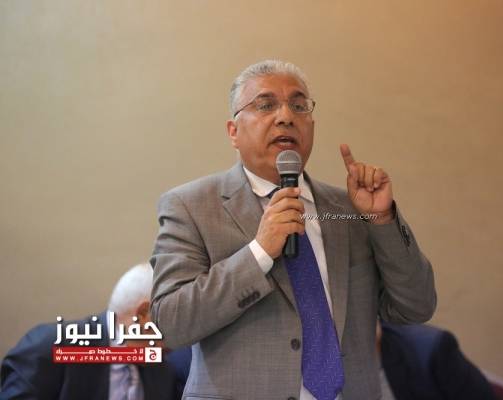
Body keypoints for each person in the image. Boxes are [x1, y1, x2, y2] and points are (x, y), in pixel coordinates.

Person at [150, 59, 436, 400]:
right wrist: (258, 252)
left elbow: (416, 307)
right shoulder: (191, 206)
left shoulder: (349, 210)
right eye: (265, 105)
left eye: (299, 106)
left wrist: (382, 220)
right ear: (233, 131)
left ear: (311, 125)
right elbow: (170, 324)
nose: (286, 116)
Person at [0, 263, 185, 400]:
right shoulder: (50, 349)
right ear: (143, 314)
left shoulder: (163, 373)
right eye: (179, 321)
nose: (184, 334)